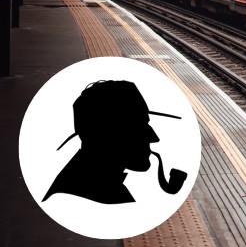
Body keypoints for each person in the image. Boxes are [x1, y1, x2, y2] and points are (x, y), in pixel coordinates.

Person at [44, 80, 183, 204]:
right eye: (136, 128)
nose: (154, 137)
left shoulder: (104, 187)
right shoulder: (82, 199)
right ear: (104, 135)